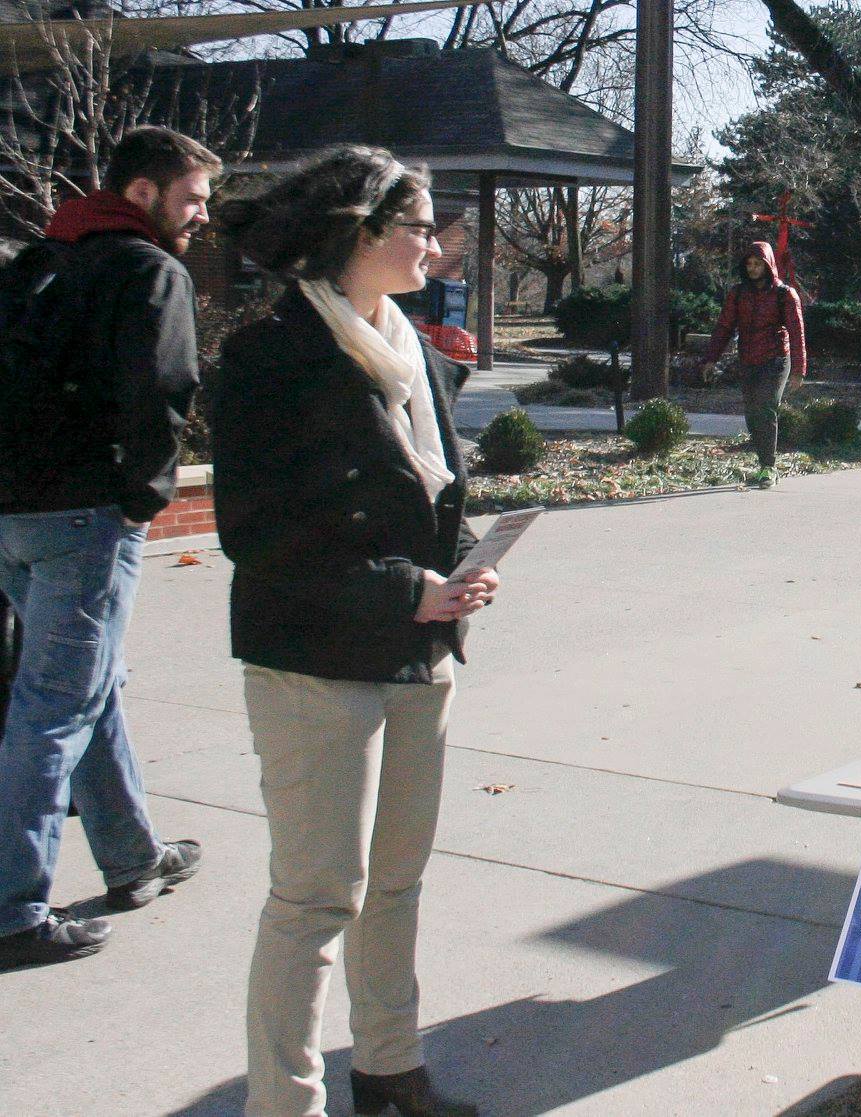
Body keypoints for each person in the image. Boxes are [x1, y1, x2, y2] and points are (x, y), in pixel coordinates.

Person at [212, 145, 491, 1117]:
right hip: (316, 660)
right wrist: (397, 588)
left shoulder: (410, 345)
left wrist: (457, 574)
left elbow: (428, 494)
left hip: (418, 651)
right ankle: (283, 1102)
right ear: (359, 233)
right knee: (317, 897)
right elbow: (254, 531)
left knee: (396, 884)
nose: (433, 241)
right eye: (416, 224)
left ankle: (389, 1070)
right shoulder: (270, 356)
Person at [0, 127, 218, 969]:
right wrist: (142, 499)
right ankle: (15, 905)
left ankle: (133, 858)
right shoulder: (148, 270)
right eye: (193, 198)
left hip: (15, 511)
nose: (201, 216)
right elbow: (163, 390)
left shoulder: (39, 262)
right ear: (142, 194)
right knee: (53, 707)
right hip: (85, 516)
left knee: (85, 685)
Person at [695, 242, 807, 489]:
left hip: (776, 359)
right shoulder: (738, 294)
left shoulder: (784, 294)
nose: (753, 269)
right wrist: (710, 359)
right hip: (748, 360)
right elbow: (724, 327)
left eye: (758, 264)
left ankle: (769, 467)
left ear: (768, 265)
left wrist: (799, 370)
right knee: (752, 414)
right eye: (749, 264)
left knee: (766, 408)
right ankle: (762, 461)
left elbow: (797, 333)